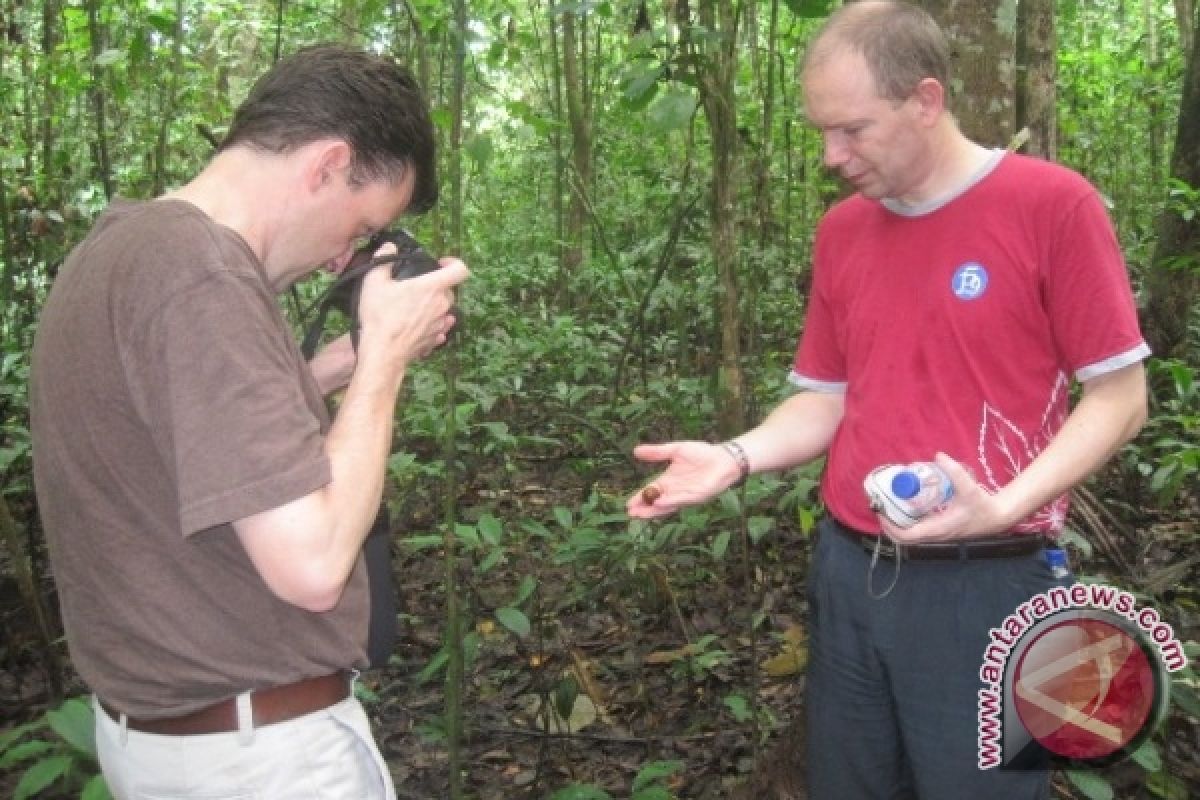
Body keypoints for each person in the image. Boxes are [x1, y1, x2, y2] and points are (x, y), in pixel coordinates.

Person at [627, 3, 1149, 799]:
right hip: (851, 571)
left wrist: (1003, 506)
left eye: (853, 131)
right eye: (822, 133)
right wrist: (733, 458)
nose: (832, 156)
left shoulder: (1051, 205)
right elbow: (827, 400)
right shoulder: (843, 232)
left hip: (992, 578)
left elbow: (1120, 396)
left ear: (927, 100)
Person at [30, 45, 467, 799]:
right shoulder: (203, 275)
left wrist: (334, 369)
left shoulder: (122, 247)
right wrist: (387, 357)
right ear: (328, 164)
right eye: (361, 224)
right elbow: (312, 564)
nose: (343, 260)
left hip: (168, 743)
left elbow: (171, 438)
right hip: (260, 760)